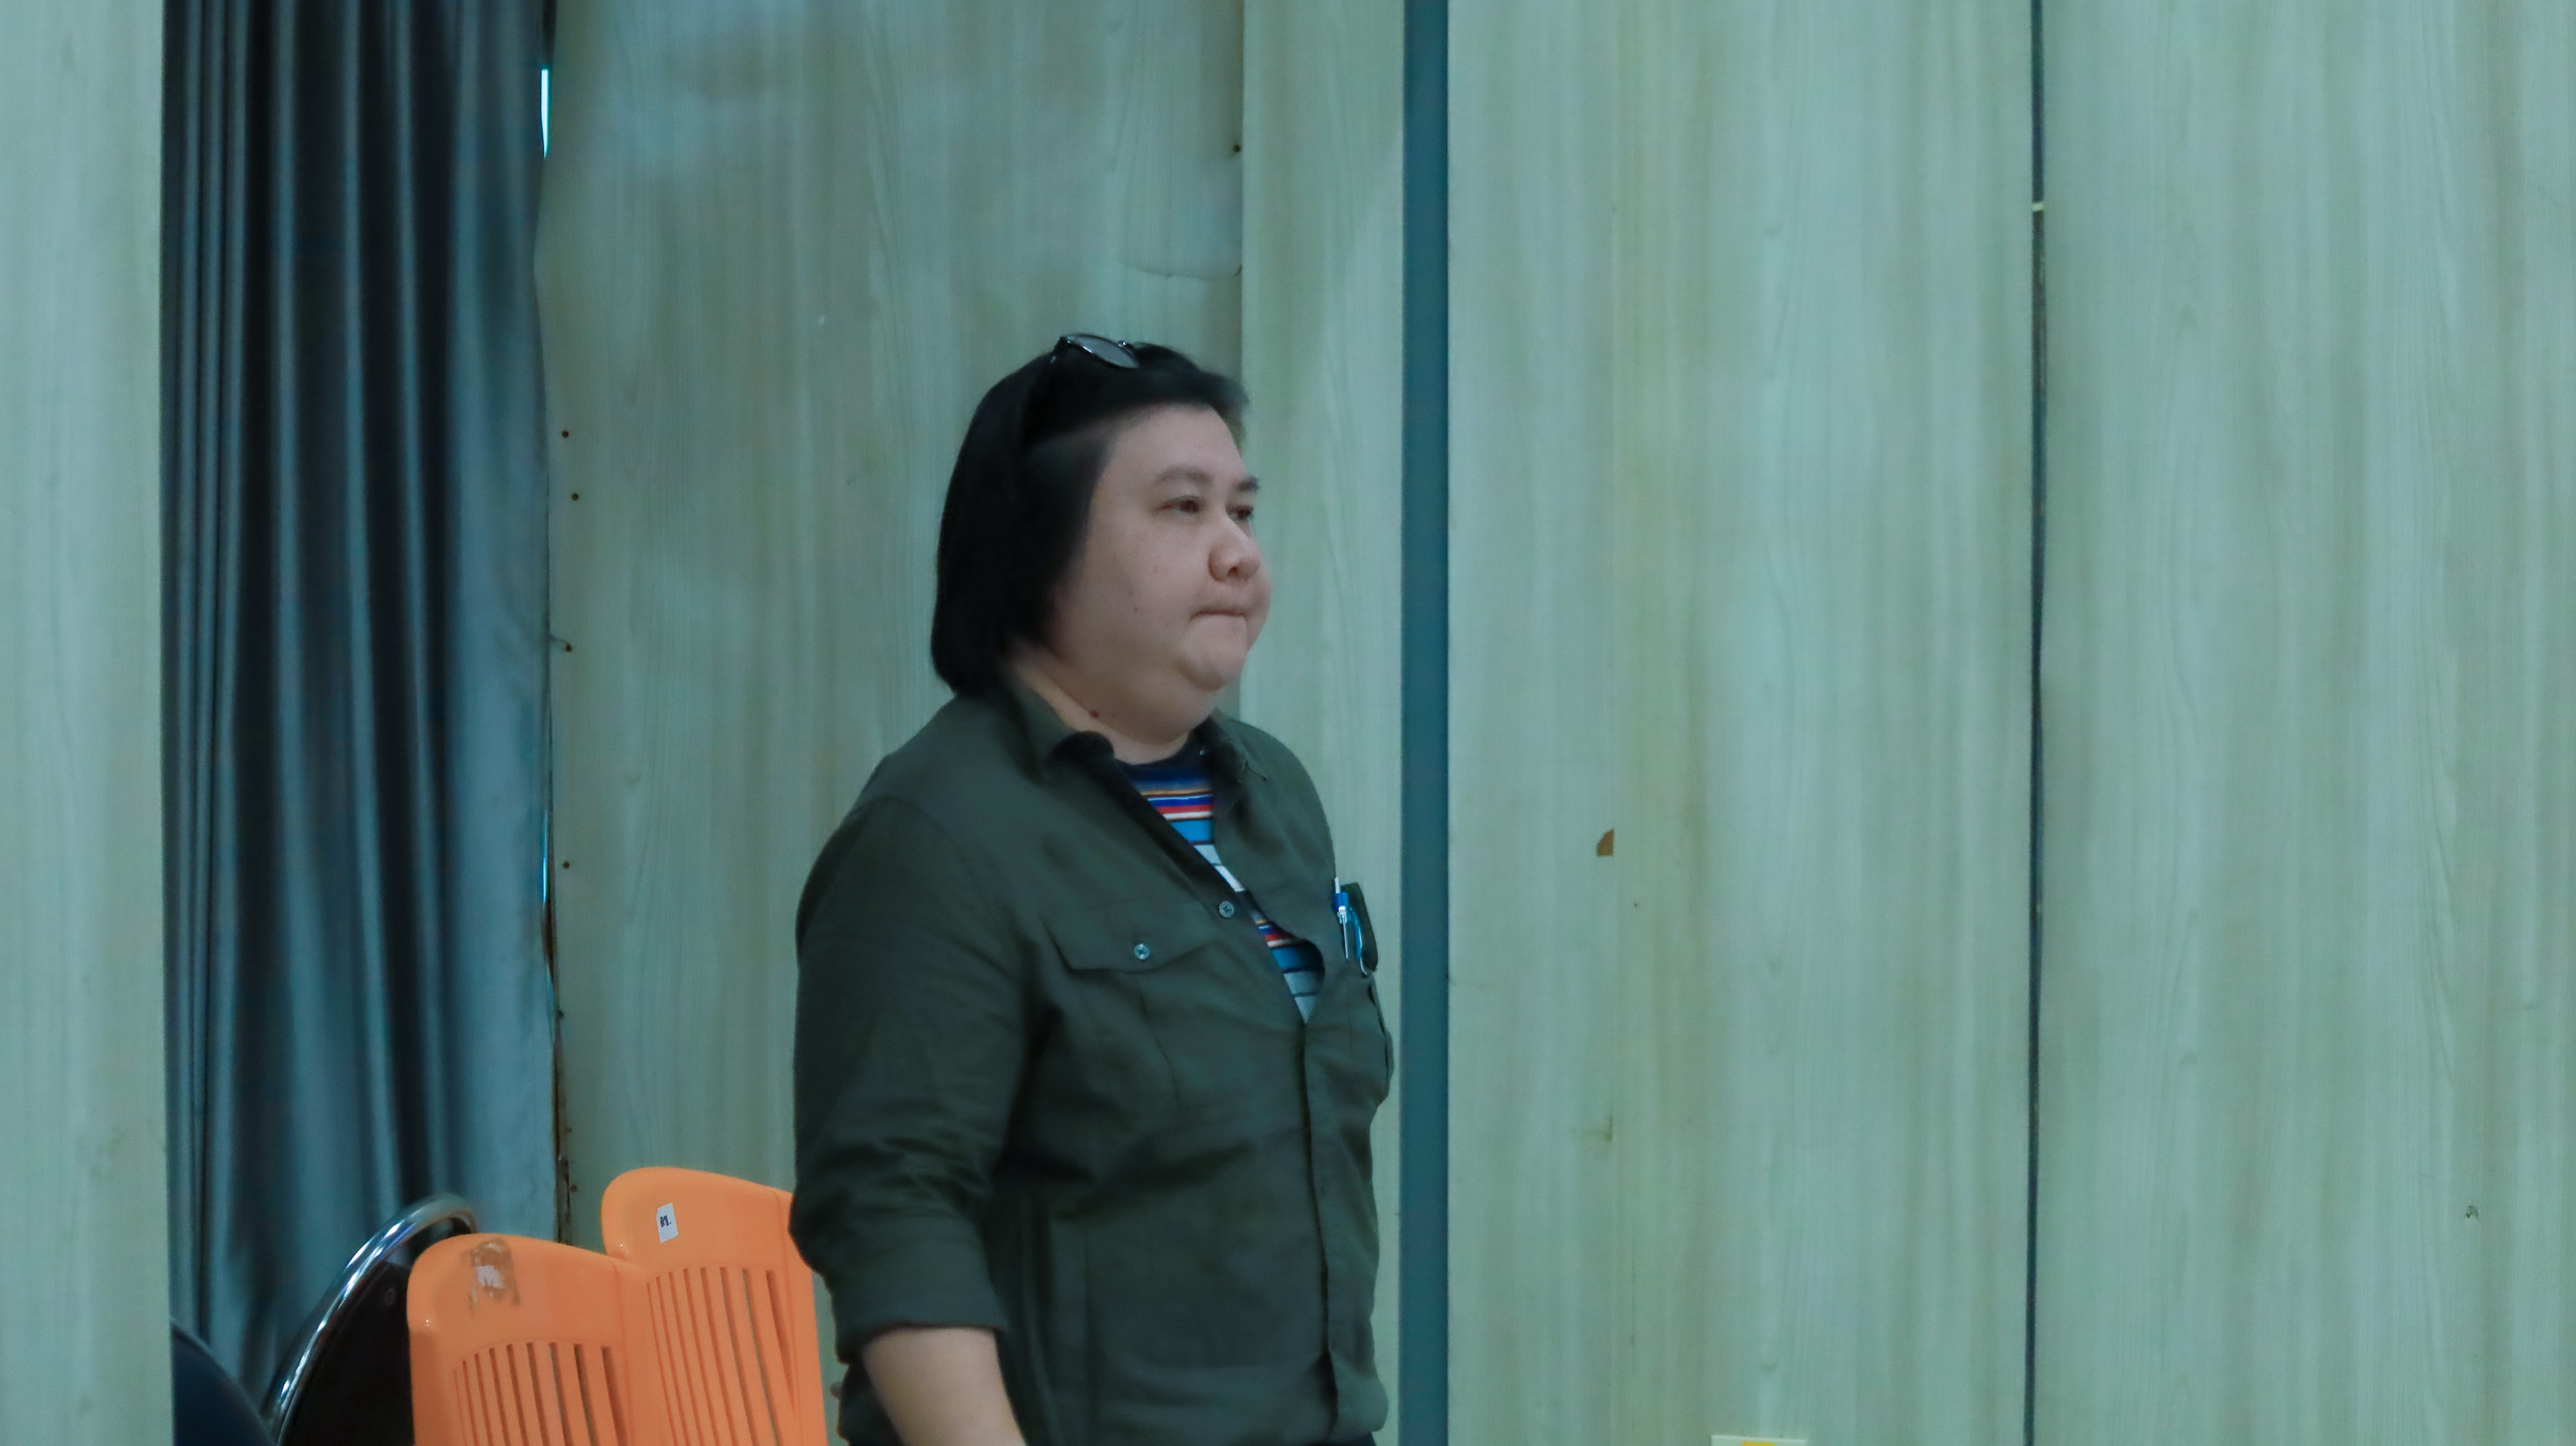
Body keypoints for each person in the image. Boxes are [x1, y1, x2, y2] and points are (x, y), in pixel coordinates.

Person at [790, 336, 1391, 1446]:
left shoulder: (1274, 792)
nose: (1237, 554)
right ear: (1039, 547)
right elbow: (892, 1208)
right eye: (1182, 509)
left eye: (1243, 512)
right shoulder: (936, 835)